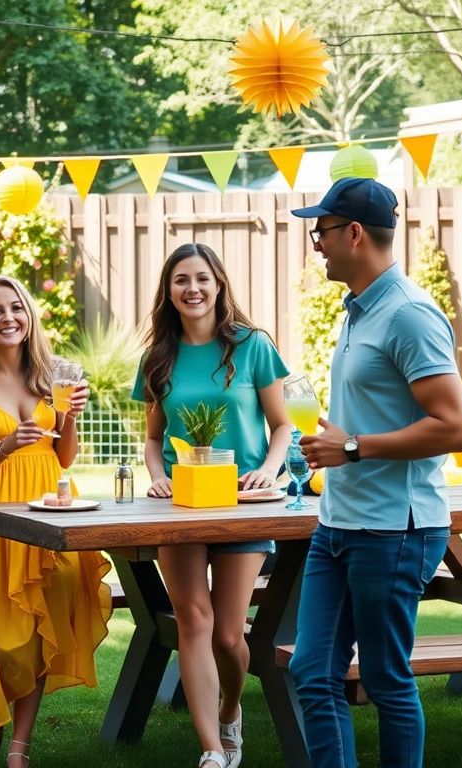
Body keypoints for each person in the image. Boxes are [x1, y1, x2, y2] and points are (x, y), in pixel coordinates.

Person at [290, 177, 462, 768]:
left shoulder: (410, 315)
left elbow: (454, 428)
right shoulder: (357, 311)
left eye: (321, 230)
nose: (316, 242)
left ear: (355, 233)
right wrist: (331, 441)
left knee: (387, 680)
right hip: (338, 522)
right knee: (311, 672)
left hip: (395, 530)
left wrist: (354, 447)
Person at [132, 243, 293, 768]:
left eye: (202, 278)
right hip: (182, 506)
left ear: (220, 284)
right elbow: (154, 439)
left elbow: (283, 424)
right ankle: (210, 751)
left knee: (228, 635)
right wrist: (157, 478)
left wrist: (270, 468)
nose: (193, 289)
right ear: (169, 291)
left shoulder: (253, 347)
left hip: (245, 502)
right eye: (181, 280)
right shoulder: (158, 357)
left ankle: (230, 708)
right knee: (192, 621)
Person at [0, 276, 112, 767]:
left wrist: (70, 416)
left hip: (47, 510)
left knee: (40, 626)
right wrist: (5, 444)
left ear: (29, 314)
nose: (8, 318)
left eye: (16, 308)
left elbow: (64, 459)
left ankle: (20, 744)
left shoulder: (50, 376)